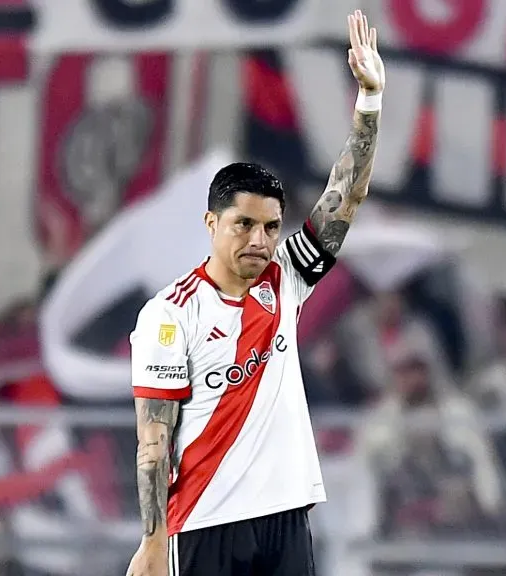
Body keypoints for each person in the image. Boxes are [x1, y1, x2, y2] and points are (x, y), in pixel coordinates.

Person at [126, 11, 384, 576]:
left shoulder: (286, 280)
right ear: (211, 223)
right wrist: (151, 541)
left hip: (286, 515)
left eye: (271, 226)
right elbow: (153, 442)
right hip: (205, 521)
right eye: (243, 225)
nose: (260, 240)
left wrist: (368, 103)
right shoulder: (170, 314)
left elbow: (346, 197)